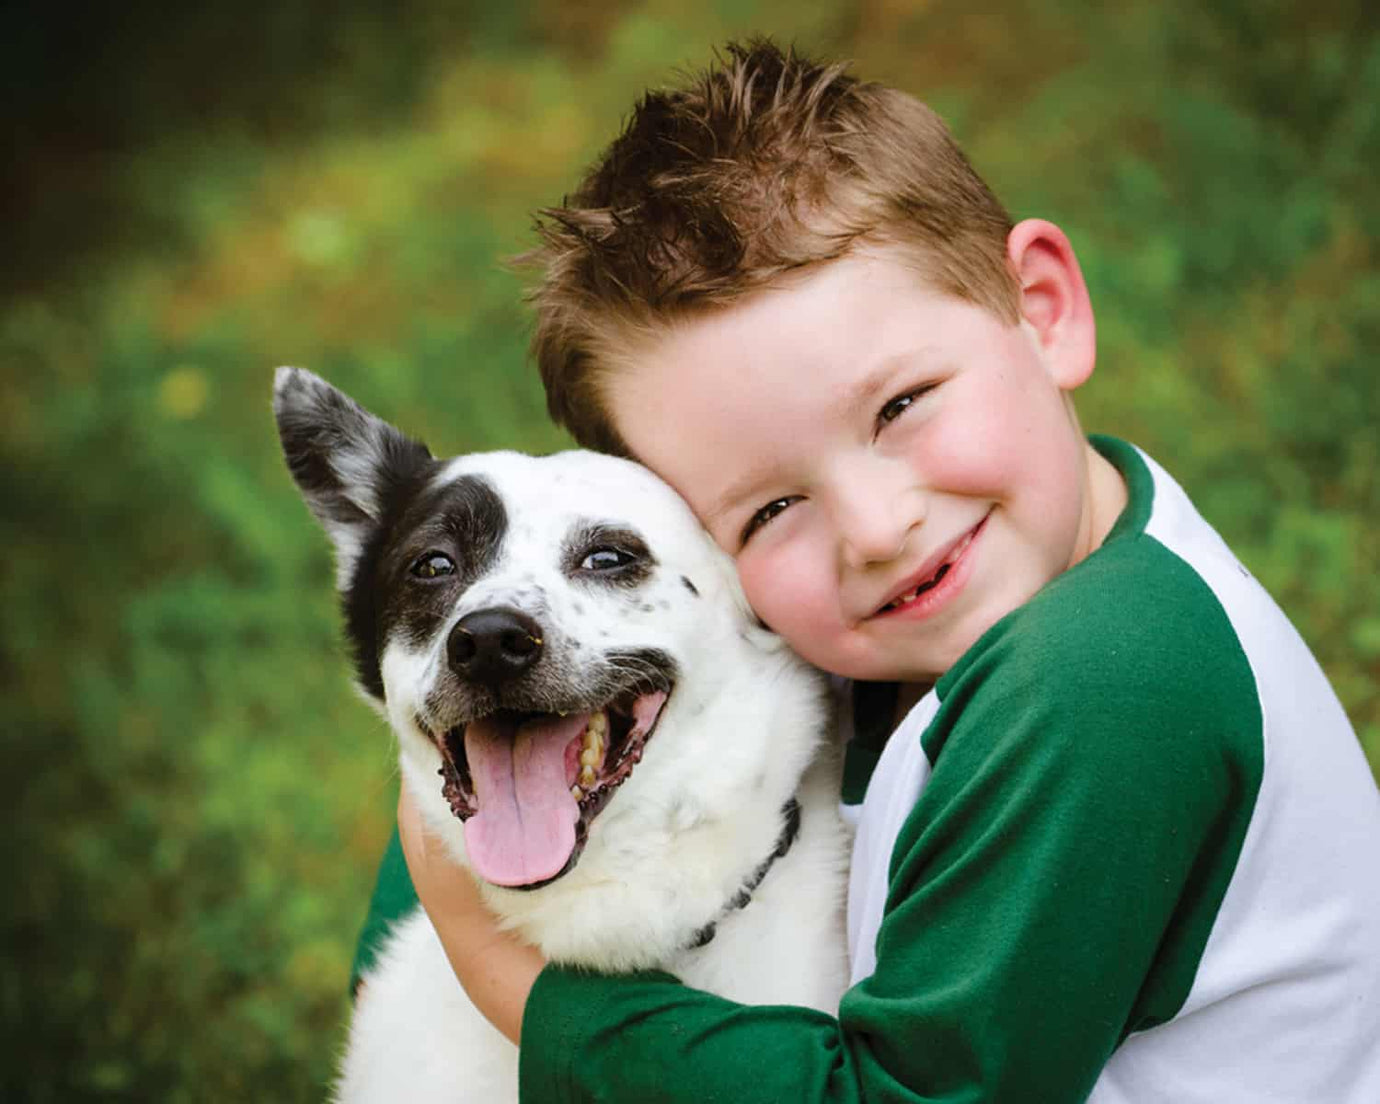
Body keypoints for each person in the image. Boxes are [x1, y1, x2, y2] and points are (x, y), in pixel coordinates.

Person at [370, 39, 1380, 1102]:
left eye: (900, 407)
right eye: (771, 508)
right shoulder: (945, 610)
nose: (876, 528)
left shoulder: (1102, 682)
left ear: (1041, 307)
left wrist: (515, 987)